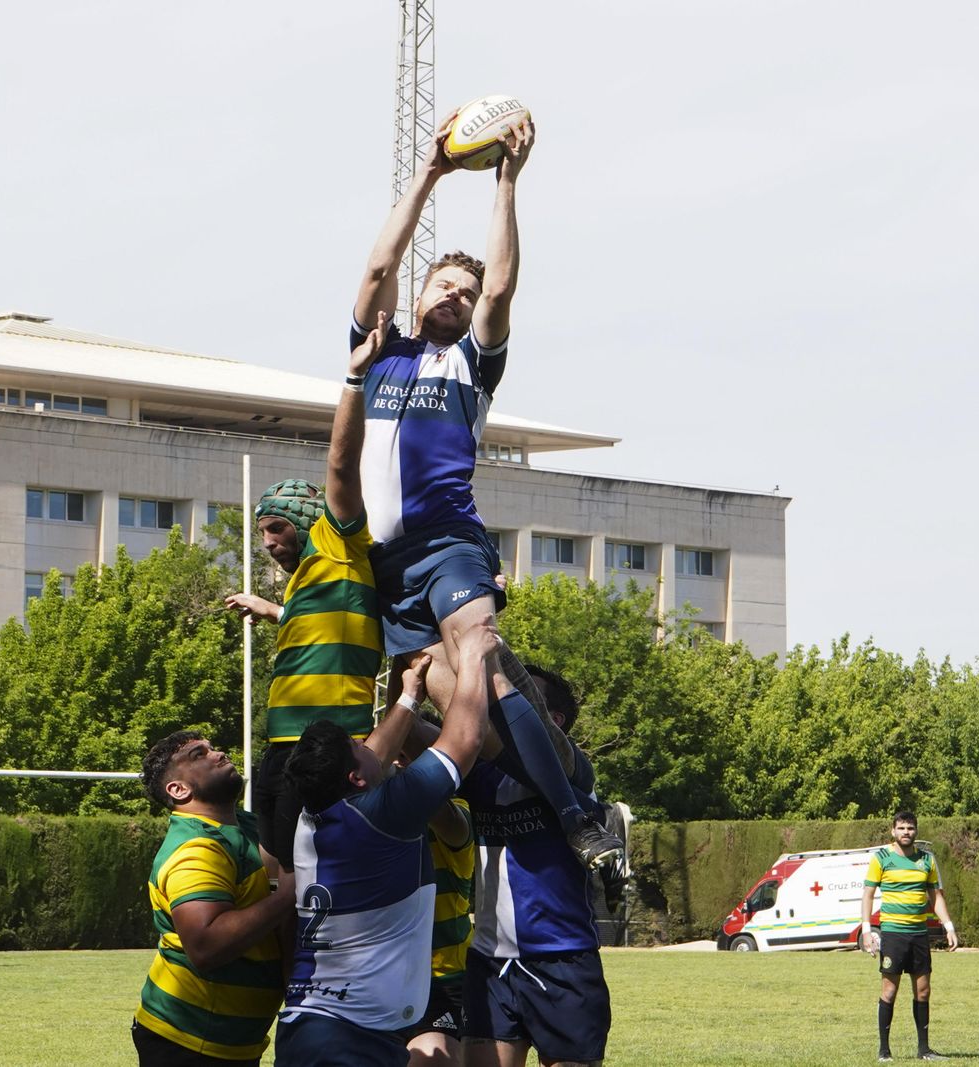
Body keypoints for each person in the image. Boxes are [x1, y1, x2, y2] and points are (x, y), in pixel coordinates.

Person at [347, 109, 620, 870]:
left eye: (465, 294)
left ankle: (578, 819)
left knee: (485, 656)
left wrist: (506, 180)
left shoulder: (470, 363)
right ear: (419, 292)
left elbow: (501, 284)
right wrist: (430, 174)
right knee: (454, 704)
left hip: (449, 544)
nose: (458, 297)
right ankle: (570, 783)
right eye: (445, 285)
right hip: (387, 561)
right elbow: (376, 270)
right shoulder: (378, 350)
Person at [274, 619, 500, 1066]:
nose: (368, 743)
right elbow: (465, 738)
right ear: (355, 778)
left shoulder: (314, 817)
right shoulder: (383, 813)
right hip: (350, 1037)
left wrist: (409, 696)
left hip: (306, 1025)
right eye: (357, 745)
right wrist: (472, 655)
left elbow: (371, 758)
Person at [223, 315, 392, 880]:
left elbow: (341, 465)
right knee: (273, 872)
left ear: (301, 518)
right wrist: (269, 609)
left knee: (307, 872)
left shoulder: (337, 540)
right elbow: (312, 630)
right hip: (279, 741)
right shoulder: (301, 581)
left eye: (274, 529)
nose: (268, 544)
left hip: (323, 746)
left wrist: (353, 380)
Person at [460, 668, 611, 1067]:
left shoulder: (573, 772)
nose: (503, 700)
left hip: (564, 962)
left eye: (521, 694)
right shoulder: (481, 772)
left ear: (553, 721)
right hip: (489, 962)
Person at [132, 731, 294, 1065]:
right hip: (188, 1042)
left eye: (213, 747)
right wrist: (293, 895)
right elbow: (207, 946)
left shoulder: (246, 827)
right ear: (178, 789)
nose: (218, 753)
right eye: (198, 754)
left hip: (230, 1043)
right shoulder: (197, 849)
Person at [860, 810, 958, 1062]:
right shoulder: (881, 858)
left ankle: (924, 1050)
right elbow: (868, 895)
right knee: (889, 990)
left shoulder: (927, 860)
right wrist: (867, 930)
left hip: (919, 935)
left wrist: (948, 926)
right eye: (902, 828)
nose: (906, 832)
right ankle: (884, 1051)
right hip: (893, 935)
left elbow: (936, 897)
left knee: (923, 991)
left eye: (910, 828)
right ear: (893, 831)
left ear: (916, 831)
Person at [403, 795, 475, 1067]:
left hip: (442, 980)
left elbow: (440, 810)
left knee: (433, 1057)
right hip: (374, 979)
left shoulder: (455, 809)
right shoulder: (357, 810)